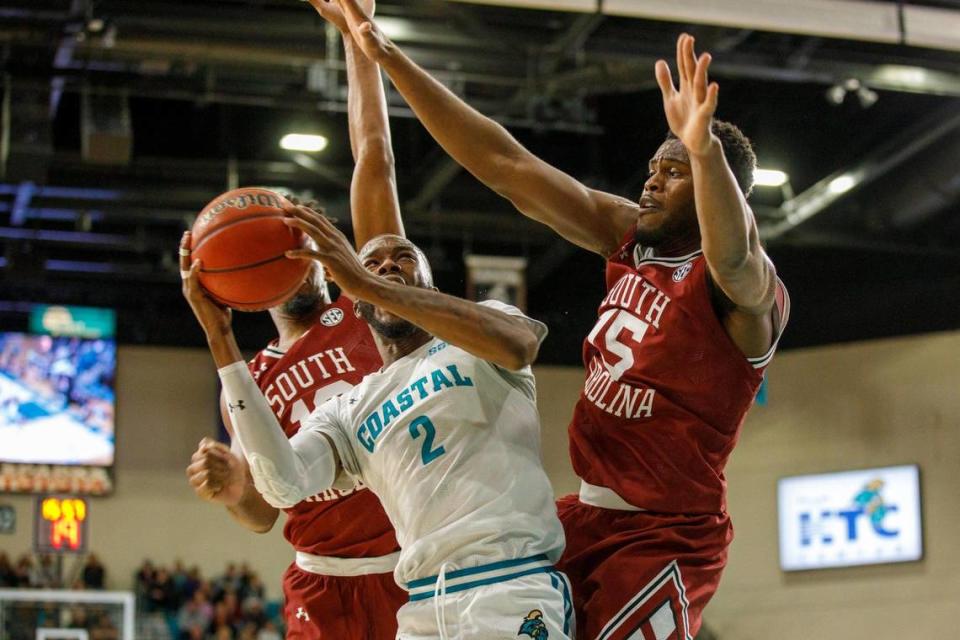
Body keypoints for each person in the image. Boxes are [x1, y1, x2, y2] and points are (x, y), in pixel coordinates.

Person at [333, 5, 789, 637]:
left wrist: (704, 149)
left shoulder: (744, 289)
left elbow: (735, 253)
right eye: (654, 168)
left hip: (666, 535)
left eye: (673, 171)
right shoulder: (630, 236)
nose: (653, 182)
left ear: (722, 189)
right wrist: (385, 55)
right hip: (581, 512)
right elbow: (506, 166)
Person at [183, 205, 574, 638]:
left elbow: (519, 345)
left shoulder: (479, 338)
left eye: (404, 258)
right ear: (362, 309)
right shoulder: (351, 409)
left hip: (508, 583)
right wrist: (219, 337)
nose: (387, 264)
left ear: (432, 287)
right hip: (420, 603)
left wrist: (367, 281)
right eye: (372, 263)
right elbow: (281, 487)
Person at [182, 1, 408, 637]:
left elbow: (374, 158)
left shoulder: (372, 307)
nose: (295, 260)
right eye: (277, 252)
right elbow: (261, 513)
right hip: (322, 578)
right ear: (247, 285)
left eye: (304, 245)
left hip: (413, 564)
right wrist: (231, 490)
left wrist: (356, 41)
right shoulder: (244, 384)